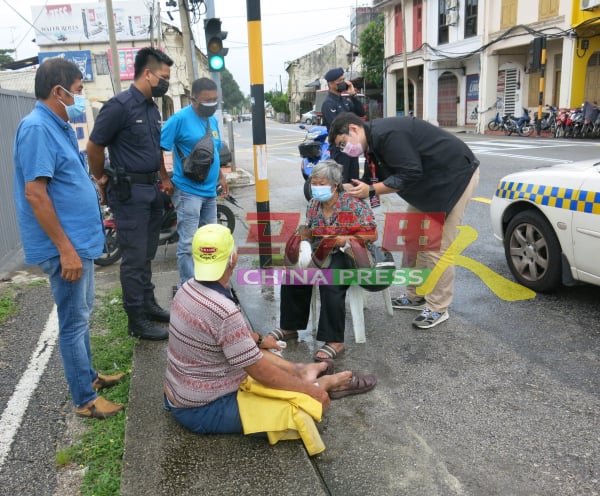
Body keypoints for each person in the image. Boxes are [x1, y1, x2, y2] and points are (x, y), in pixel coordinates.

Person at [164, 223, 377, 434]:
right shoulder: (223, 310)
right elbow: (258, 370)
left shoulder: (187, 288)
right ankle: (324, 384)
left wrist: (259, 340)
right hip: (203, 408)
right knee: (304, 413)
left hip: (183, 390)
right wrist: (311, 392)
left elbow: (231, 336)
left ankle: (300, 370)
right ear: (234, 258)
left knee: (256, 348)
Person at [13, 58, 125, 419]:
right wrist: (65, 249)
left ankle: (89, 377)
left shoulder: (58, 125)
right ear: (58, 91)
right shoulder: (36, 129)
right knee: (73, 321)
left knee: (82, 313)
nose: (80, 98)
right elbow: (36, 194)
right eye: (77, 91)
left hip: (78, 242)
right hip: (66, 247)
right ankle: (84, 399)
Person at [328, 112, 481, 329]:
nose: (346, 149)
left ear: (354, 129)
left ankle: (438, 307)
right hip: (427, 184)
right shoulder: (371, 144)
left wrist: (371, 190)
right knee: (411, 239)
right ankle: (415, 294)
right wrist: (342, 189)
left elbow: (409, 173)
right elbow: (369, 179)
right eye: (341, 147)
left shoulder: (388, 134)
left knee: (435, 247)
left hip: (454, 178)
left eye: (344, 143)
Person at [87, 47, 174, 341]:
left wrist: (163, 179)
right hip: (129, 193)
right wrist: (100, 178)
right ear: (147, 73)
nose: (166, 83)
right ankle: (136, 319)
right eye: (163, 77)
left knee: (147, 254)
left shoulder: (150, 108)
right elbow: (94, 146)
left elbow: (154, 148)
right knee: (134, 258)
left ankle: (148, 305)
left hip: (150, 189)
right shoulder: (119, 106)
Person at [269, 160, 377, 361]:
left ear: (335, 185)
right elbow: (310, 230)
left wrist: (345, 239)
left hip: (349, 253)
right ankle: (290, 327)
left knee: (330, 279)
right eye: (314, 183)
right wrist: (299, 242)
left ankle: (335, 341)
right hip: (322, 251)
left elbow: (372, 234)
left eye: (321, 183)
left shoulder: (353, 204)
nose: (316, 187)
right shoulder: (313, 204)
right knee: (294, 274)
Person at [160, 77, 229, 287]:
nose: (211, 104)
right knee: (189, 242)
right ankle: (189, 286)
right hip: (188, 190)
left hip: (209, 191)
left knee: (210, 240)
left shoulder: (212, 120)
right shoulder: (178, 120)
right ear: (193, 99)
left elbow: (213, 151)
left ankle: (208, 280)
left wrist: (221, 177)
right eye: (207, 100)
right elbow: (158, 149)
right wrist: (164, 177)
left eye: (214, 99)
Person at [320, 67, 365, 183]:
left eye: (344, 79)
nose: (344, 83)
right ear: (331, 83)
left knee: (354, 180)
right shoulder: (328, 103)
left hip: (352, 147)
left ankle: (353, 201)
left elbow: (361, 112)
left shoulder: (345, 100)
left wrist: (353, 95)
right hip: (340, 149)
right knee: (341, 181)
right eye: (340, 80)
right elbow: (337, 127)